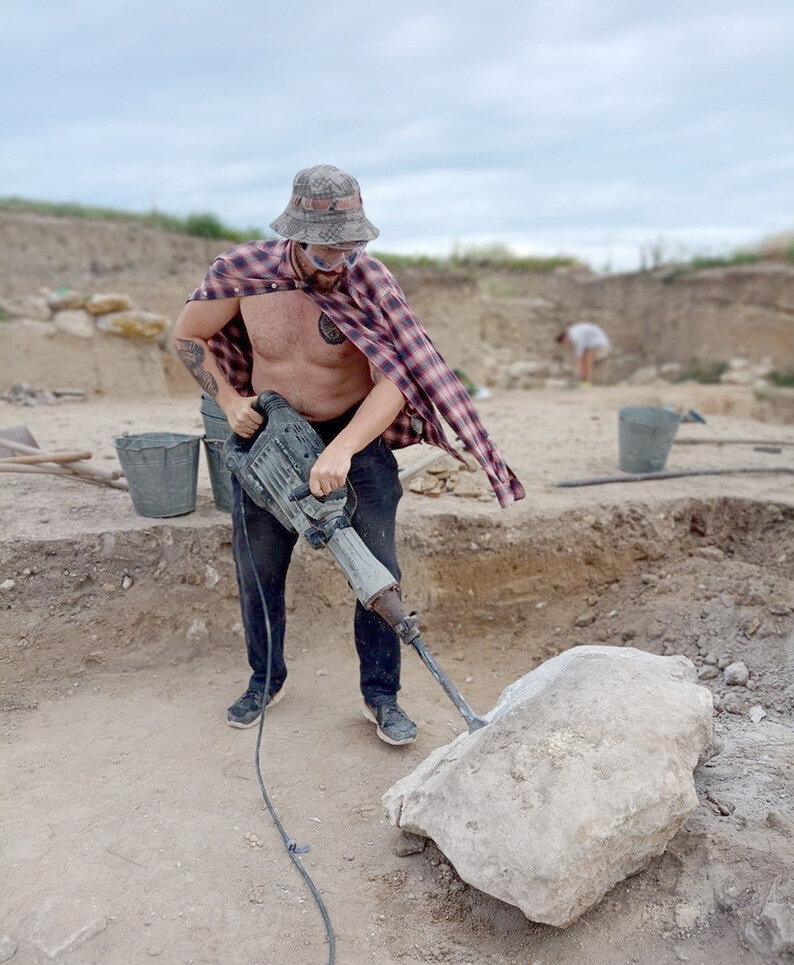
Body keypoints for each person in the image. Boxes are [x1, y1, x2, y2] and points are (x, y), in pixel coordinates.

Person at [173, 164, 524, 746]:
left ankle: (381, 695)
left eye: (351, 246)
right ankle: (266, 679)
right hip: (269, 440)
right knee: (257, 568)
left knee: (378, 571)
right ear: (295, 235)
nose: (340, 260)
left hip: (353, 440)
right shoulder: (243, 272)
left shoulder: (369, 281)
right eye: (327, 249)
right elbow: (188, 335)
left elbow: (396, 380)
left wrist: (342, 448)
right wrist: (230, 400)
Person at [556, 322, 610, 386]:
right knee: (585, 359)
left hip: (599, 344)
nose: (568, 343)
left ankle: (588, 381)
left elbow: (579, 356)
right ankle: (585, 380)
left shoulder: (575, 335)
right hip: (594, 343)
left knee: (588, 360)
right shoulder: (572, 331)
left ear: (565, 338)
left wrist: (578, 372)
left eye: (565, 342)